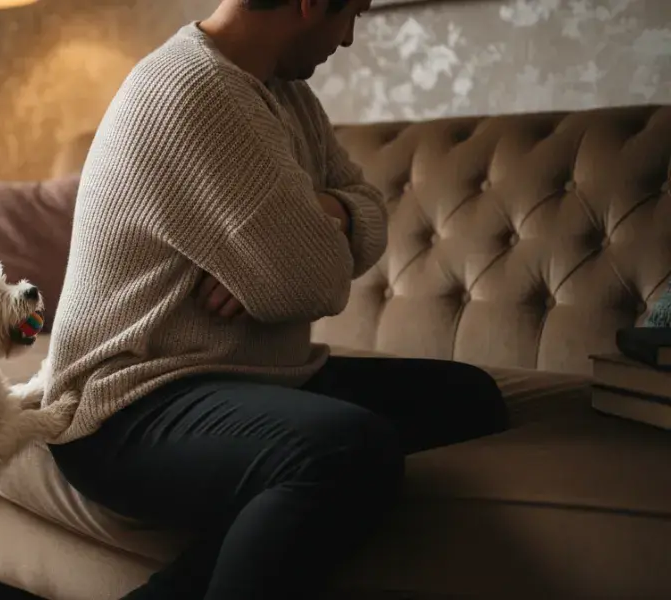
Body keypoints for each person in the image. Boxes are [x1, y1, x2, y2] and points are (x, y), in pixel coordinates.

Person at [39, 0, 510, 598]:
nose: (348, 38)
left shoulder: (285, 93)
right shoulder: (194, 89)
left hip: (251, 374)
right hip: (130, 403)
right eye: (351, 14)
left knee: (470, 398)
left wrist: (316, 220)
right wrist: (285, 253)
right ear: (309, 4)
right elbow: (316, 283)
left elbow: (368, 209)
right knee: (346, 448)